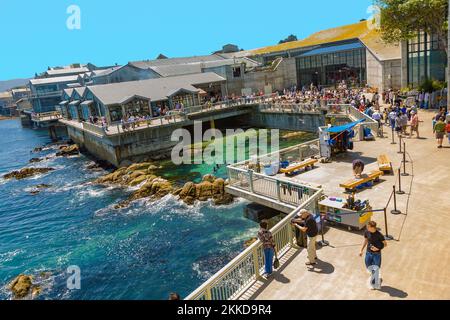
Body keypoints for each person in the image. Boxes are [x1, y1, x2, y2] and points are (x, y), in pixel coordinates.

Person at [359, 221, 387, 290]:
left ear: (372, 227)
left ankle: (374, 283)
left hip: (376, 254)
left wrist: (377, 248)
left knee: (375, 268)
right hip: (368, 252)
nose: (367, 228)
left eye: (368, 227)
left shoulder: (379, 235)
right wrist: (361, 250)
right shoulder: (367, 232)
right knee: (368, 265)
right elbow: (365, 241)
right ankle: (374, 275)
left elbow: (385, 244)